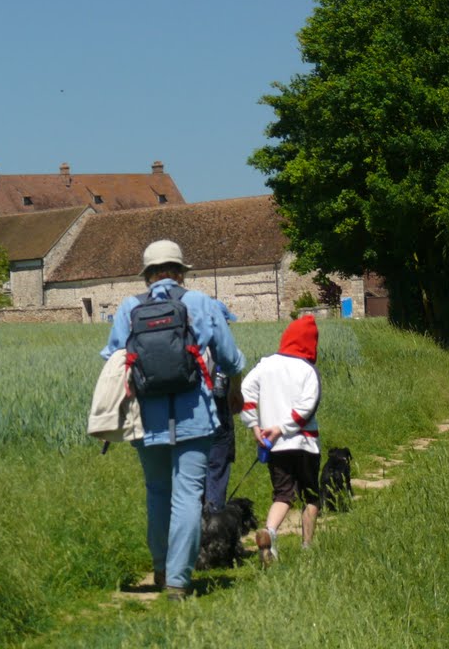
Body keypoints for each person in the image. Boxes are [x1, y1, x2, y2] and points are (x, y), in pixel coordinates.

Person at [101, 240, 245, 600]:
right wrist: (235, 388)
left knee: (157, 492)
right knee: (187, 495)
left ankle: (162, 569)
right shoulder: (201, 303)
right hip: (194, 414)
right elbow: (229, 358)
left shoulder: (129, 307)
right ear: (181, 271)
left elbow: (113, 357)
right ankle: (180, 582)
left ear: (148, 274)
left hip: (145, 418)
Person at [239, 314, 322, 564]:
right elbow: (308, 405)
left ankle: (270, 532)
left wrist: (255, 426)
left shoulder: (265, 364)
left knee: (283, 495)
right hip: (305, 443)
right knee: (311, 496)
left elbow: (246, 392)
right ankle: (307, 546)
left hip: (274, 446)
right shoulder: (308, 370)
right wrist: (283, 427)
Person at [204, 300, 241, 513]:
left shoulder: (188, 343)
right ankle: (215, 529)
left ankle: (195, 535)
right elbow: (234, 397)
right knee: (217, 472)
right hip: (219, 418)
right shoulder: (225, 350)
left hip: (190, 422)